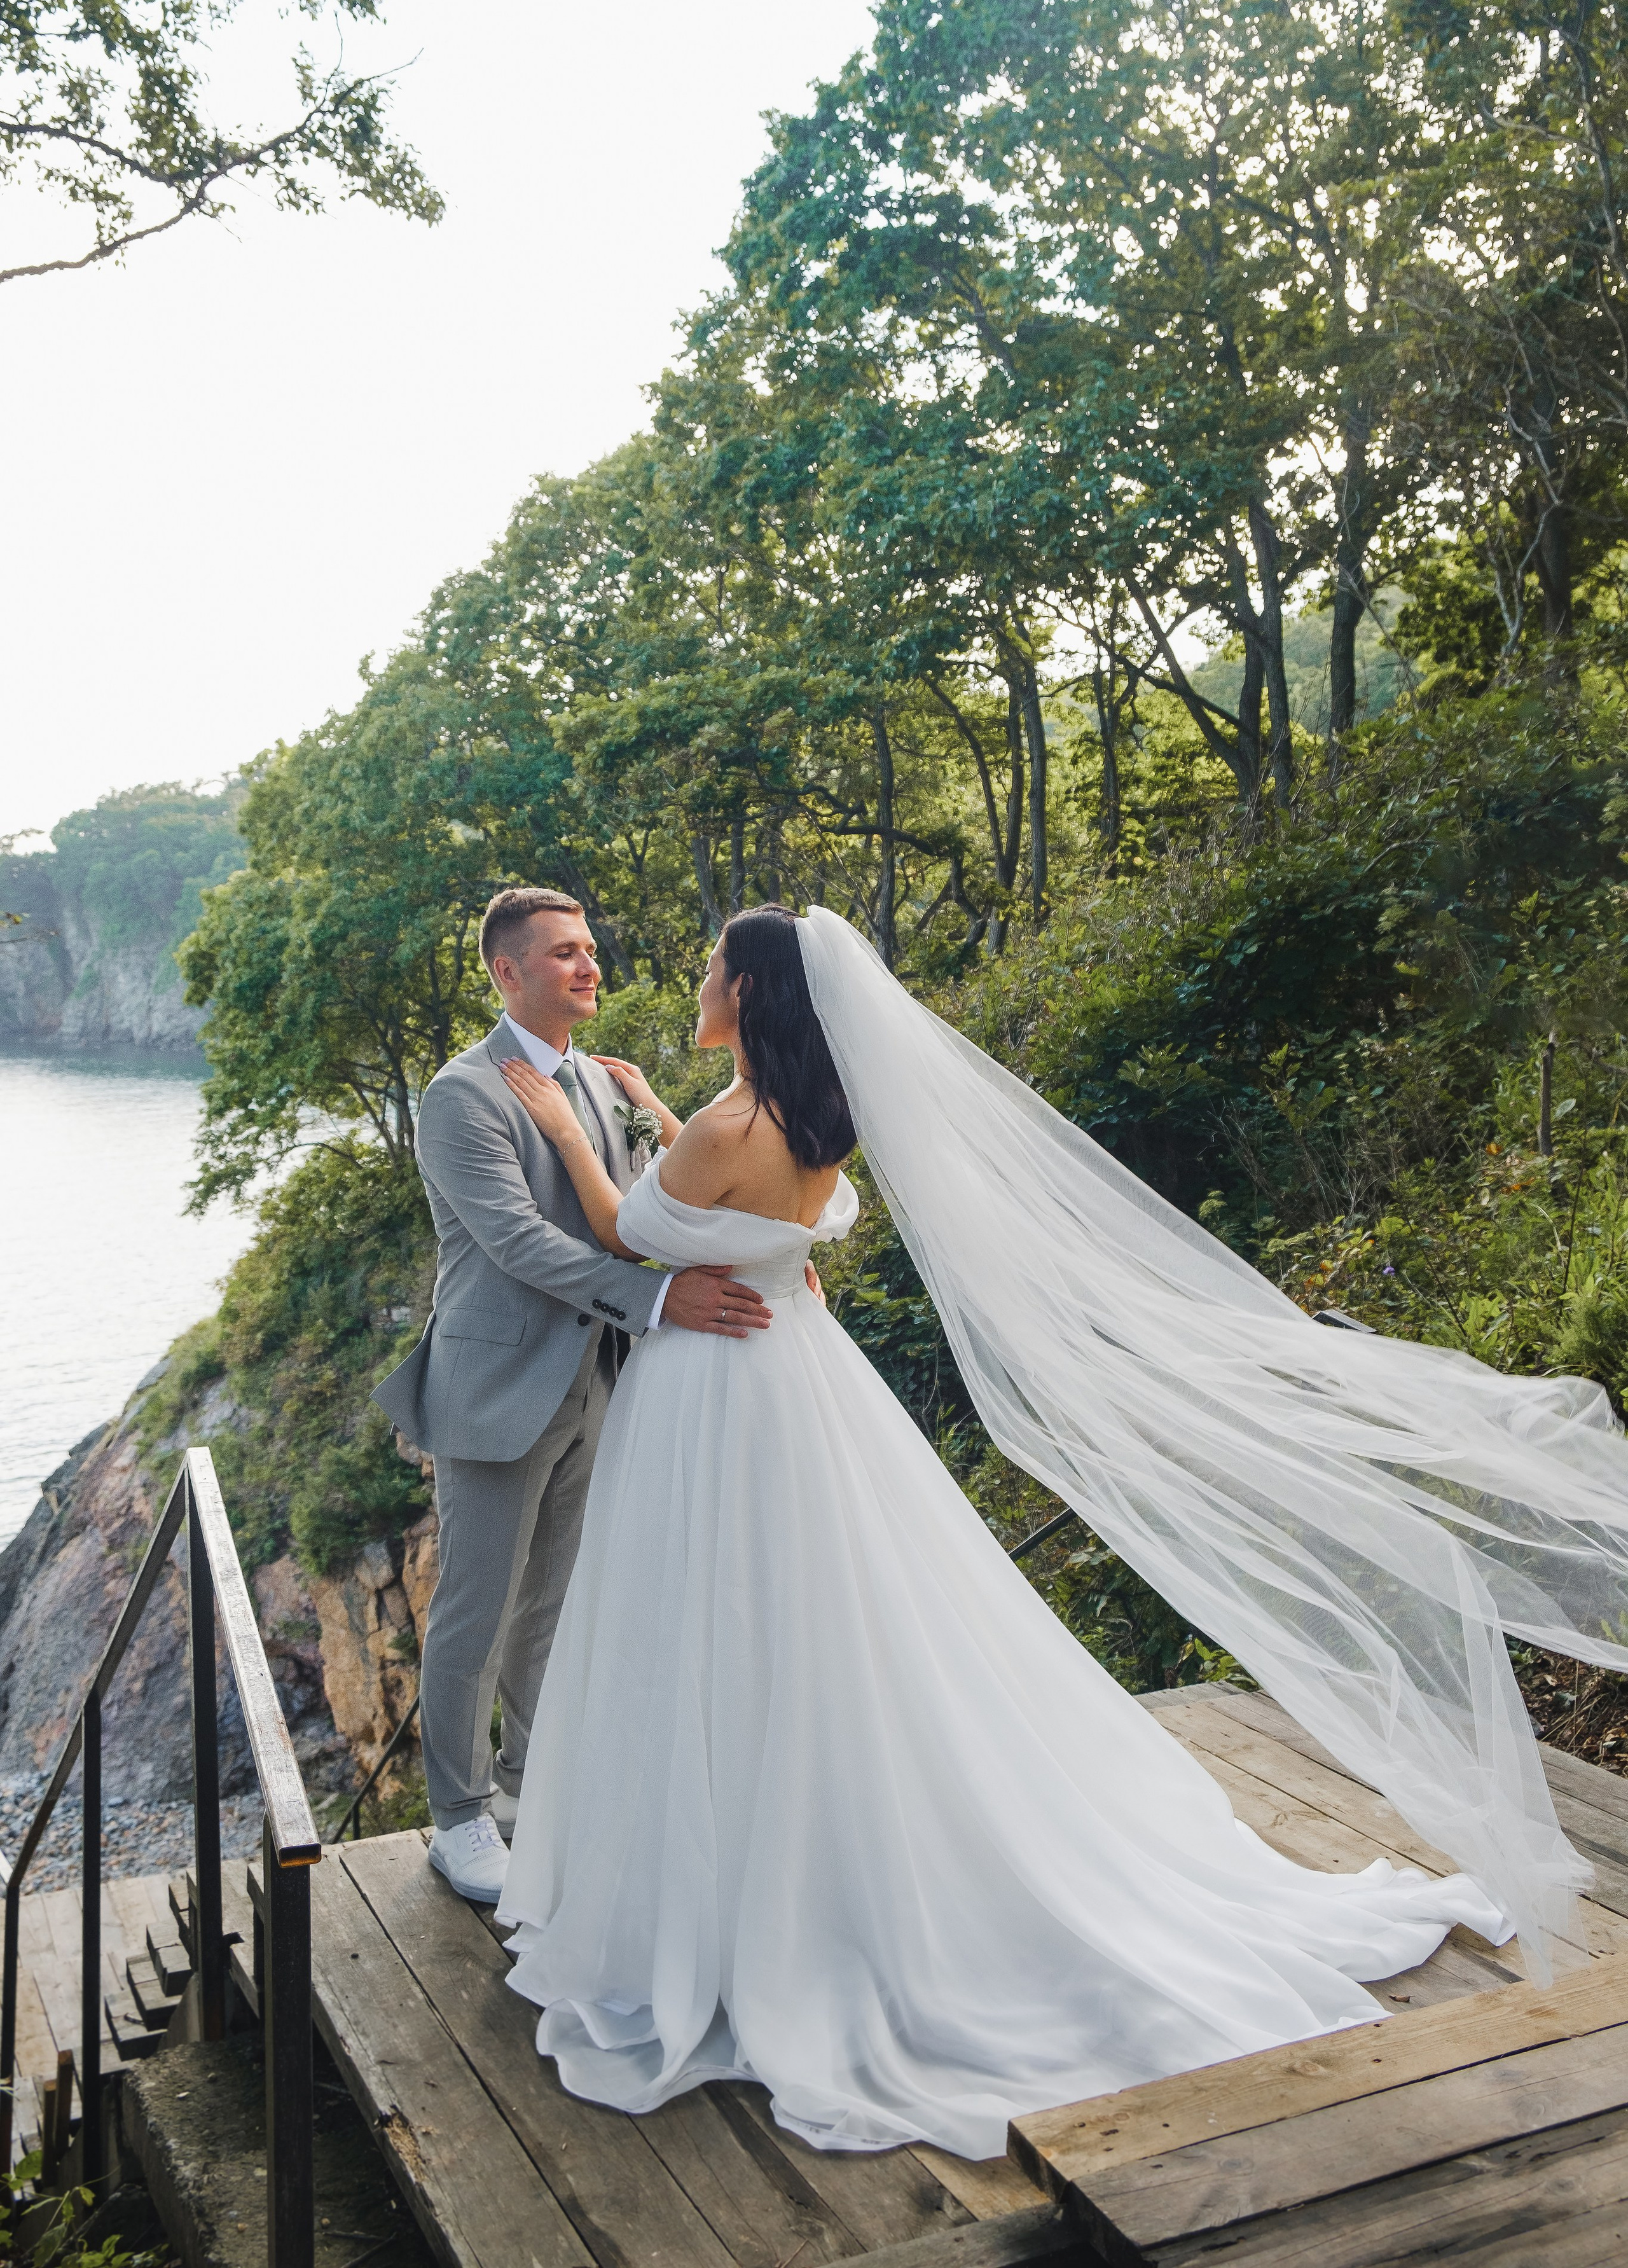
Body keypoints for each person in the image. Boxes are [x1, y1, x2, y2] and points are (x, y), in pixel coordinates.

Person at [488, 904, 1541, 2161]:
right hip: (798, 1384)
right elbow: (761, 1212)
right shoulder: (808, 1119)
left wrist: (570, 1133)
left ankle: (738, 1891)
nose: (696, 973)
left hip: (714, 1399)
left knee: (719, 1621)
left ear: (752, 993)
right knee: (820, 1622)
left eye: (715, 963)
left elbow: (628, 1230)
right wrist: (665, 1116)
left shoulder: (727, 1126)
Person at [373, 885, 785, 1904]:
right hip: (497, 1386)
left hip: (599, 1380)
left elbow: (642, 1214)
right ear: (507, 972)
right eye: (564, 952)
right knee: (476, 1609)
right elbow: (518, 1241)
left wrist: (756, 1251)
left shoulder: (598, 1084)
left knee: (550, 1610)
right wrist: (660, 1300)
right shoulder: (462, 1094)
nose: (589, 965)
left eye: (590, 947)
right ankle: (459, 1820)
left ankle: (532, 1794)